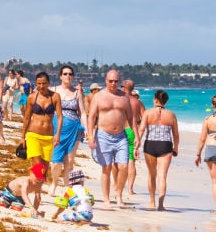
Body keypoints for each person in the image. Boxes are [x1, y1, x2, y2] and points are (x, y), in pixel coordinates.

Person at [86, 69, 137, 209]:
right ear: (106, 81)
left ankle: (119, 195)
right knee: (106, 168)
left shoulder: (124, 97)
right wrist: (90, 136)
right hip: (103, 135)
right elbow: (91, 117)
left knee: (124, 166)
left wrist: (136, 136)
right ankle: (106, 199)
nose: (113, 83)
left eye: (116, 81)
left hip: (121, 137)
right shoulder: (98, 96)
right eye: (110, 81)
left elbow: (131, 118)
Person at [137, 89, 179, 210]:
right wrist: (176, 147)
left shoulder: (148, 113)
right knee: (162, 176)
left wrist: (137, 144)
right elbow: (175, 134)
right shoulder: (171, 115)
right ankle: (161, 204)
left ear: (155, 99)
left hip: (150, 144)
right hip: (165, 145)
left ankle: (152, 201)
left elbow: (141, 129)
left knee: (151, 175)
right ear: (165, 101)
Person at [49, 65, 86, 195]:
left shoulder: (77, 93)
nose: (68, 76)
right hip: (56, 129)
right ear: (60, 76)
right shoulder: (52, 91)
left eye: (70, 74)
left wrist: (86, 129)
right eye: (65, 74)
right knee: (55, 162)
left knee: (69, 161)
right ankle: (54, 182)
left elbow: (83, 112)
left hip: (73, 129)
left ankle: (66, 187)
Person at [19, 71, 62, 180]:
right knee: (38, 166)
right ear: (36, 83)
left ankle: (36, 193)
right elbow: (27, 118)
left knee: (44, 171)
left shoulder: (55, 97)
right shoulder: (32, 97)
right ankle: (36, 194)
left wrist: (58, 134)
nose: (41, 86)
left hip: (48, 137)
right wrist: (22, 137)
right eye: (39, 84)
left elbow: (60, 117)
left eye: (44, 83)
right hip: (33, 135)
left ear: (48, 83)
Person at [122, 79, 145, 198]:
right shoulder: (138, 102)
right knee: (131, 161)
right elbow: (145, 120)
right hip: (132, 131)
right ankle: (130, 189)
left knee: (118, 160)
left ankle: (118, 186)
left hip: (120, 131)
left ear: (124, 88)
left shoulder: (119, 99)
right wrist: (139, 135)